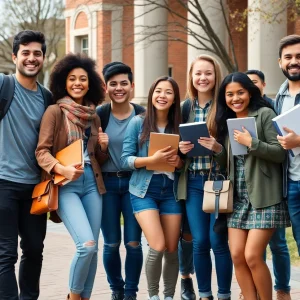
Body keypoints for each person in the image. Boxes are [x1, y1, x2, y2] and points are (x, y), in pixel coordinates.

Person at [36, 53, 108, 300]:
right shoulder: (54, 112)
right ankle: (73, 297)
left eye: (83, 79)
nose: (78, 83)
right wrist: (61, 169)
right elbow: (41, 151)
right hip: (67, 185)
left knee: (94, 248)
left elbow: (98, 159)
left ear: (91, 83)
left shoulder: (93, 115)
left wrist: (103, 147)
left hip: (92, 184)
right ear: (63, 83)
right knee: (86, 245)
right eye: (72, 79)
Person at [215, 72, 290, 300]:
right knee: (237, 255)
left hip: (265, 197)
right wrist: (217, 150)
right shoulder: (227, 120)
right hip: (238, 199)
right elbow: (230, 163)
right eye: (229, 94)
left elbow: (279, 153)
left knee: (252, 256)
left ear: (250, 93)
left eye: (240, 92)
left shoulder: (265, 114)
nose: (235, 98)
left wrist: (252, 143)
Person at [0, 30, 52, 300]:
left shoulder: (46, 98)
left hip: (35, 187)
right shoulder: (3, 85)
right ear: (15, 56)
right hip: (3, 182)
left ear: (43, 57)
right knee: (5, 254)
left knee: (34, 250)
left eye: (37, 53)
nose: (32, 58)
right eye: (26, 53)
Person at [121, 76, 183, 300]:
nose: (162, 96)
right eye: (158, 91)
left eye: (168, 92)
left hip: (171, 191)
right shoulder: (138, 122)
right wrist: (151, 159)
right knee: (157, 245)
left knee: (172, 248)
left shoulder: (180, 125)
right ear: (151, 94)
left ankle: (168, 296)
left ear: (175, 98)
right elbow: (124, 160)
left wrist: (179, 163)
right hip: (144, 190)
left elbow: (185, 161)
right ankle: (153, 296)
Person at [177, 54, 232, 300]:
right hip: (193, 183)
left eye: (208, 73)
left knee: (217, 240)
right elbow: (172, 146)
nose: (203, 78)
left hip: (218, 182)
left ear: (216, 76)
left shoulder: (225, 109)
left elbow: (234, 153)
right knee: (199, 242)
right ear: (191, 77)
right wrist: (180, 150)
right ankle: (205, 294)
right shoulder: (184, 108)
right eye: (198, 73)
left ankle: (224, 294)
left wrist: (217, 148)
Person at [97, 62, 145, 300]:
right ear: (106, 87)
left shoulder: (143, 115)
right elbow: (93, 157)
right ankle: (116, 289)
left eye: (123, 83)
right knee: (111, 243)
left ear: (132, 86)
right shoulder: (99, 115)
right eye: (113, 84)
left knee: (134, 242)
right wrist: (102, 148)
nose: (119, 88)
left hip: (134, 185)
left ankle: (130, 292)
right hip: (106, 185)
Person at [246, 69, 291, 300]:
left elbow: (279, 149)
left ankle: (282, 288)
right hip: (253, 189)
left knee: (279, 243)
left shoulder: (272, 109)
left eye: (255, 83)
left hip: (275, 184)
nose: (252, 87)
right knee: (254, 249)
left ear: (263, 84)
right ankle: (254, 289)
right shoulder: (242, 112)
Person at [275, 35, 300, 260]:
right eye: (288, 57)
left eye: (299, 56)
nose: (294, 61)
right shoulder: (279, 99)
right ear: (280, 62)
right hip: (291, 182)